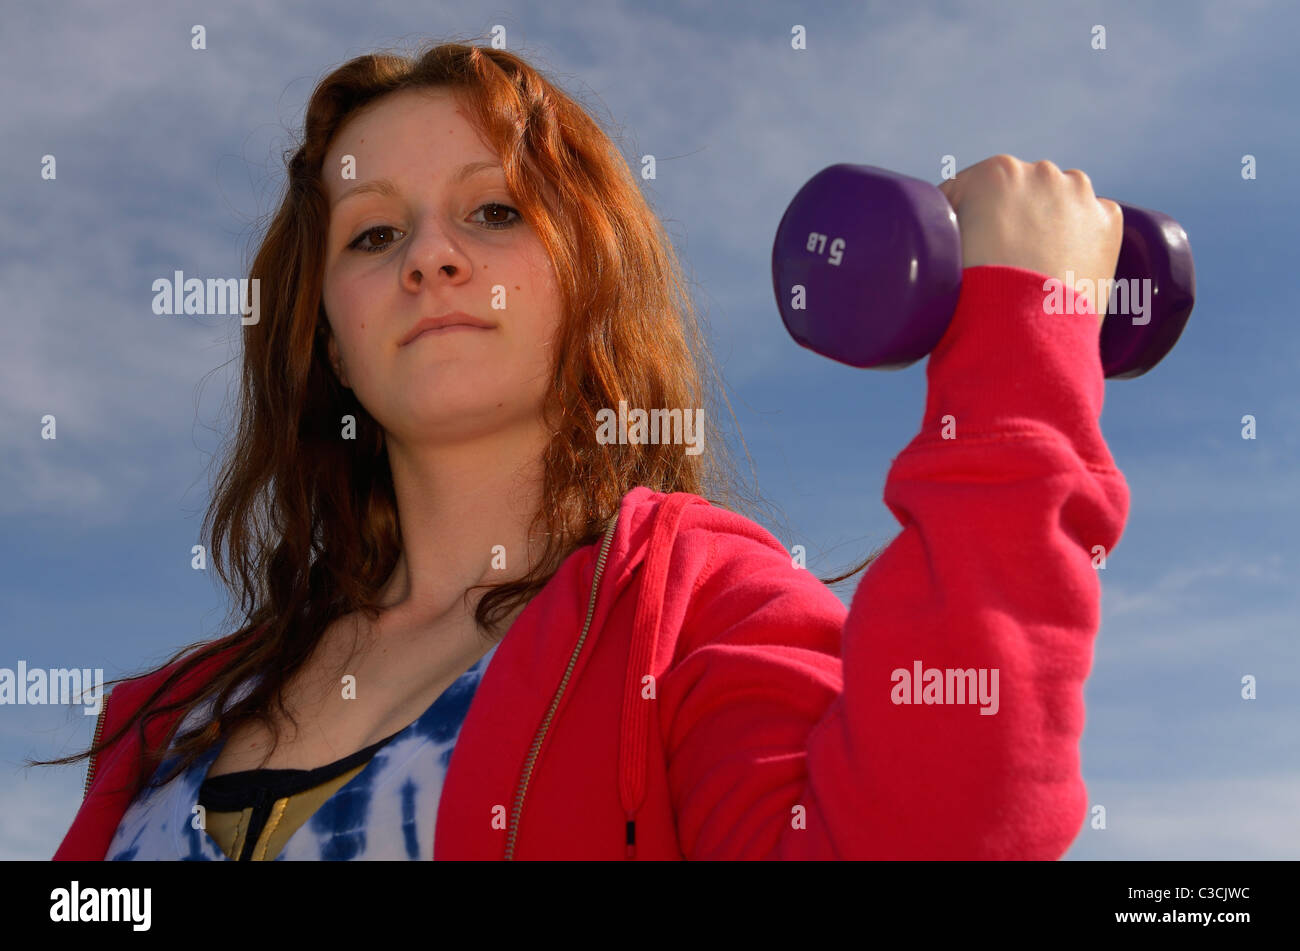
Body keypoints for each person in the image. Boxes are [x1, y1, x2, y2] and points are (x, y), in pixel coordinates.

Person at [44, 41, 1127, 860]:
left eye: (494, 211)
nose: (431, 257)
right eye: (374, 233)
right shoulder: (168, 717)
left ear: (587, 280)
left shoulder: (693, 612)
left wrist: (1023, 336)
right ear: (327, 332)